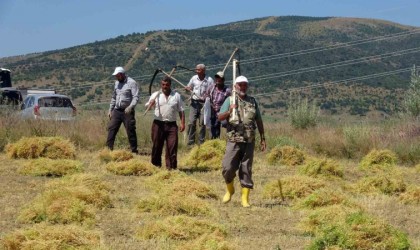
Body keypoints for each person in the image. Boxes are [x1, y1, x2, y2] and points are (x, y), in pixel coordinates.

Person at [217, 75, 266, 207]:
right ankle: (230, 189)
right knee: (228, 167)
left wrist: (262, 138)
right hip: (233, 140)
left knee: (246, 169)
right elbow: (220, 117)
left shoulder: (252, 101)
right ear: (235, 86)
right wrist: (229, 111)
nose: (243, 87)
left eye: (245, 85)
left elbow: (259, 121)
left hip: (249, 141)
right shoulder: (230, 100)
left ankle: (245, 199)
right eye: (240, 85)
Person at [146, 76, 185, 170]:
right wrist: (151, 103)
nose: (165, 86)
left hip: (171, 125)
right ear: (161, 84)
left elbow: (181, 110)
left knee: (172, 147)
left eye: (167, 85)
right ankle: (155, 167)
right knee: (156, 146)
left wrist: (182, 123)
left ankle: (171, 168)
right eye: (163, 85)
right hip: (158, 124)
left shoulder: (176, 96)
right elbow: (147, 107)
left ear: (170, 85)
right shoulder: (156, 95)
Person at [106, 66, 140, 153]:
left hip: (127, 111)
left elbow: (135, 97)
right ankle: (108, 149)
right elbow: (114, 97)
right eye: (116, 76)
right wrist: (110, 109)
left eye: (117, 75)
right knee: (111, 128)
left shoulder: (132, 83)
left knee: (130, 129)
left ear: (122, 74)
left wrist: (130, 107)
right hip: (117, 110)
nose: (116, 77)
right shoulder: (116, 83)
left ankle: (134, 150)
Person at [185, 64, 214, 145]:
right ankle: (190, 143)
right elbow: (188, 88)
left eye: (198, 70)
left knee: (202, 123)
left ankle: (201, 143)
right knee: (191, 122)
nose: (197, 71)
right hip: (194, 103)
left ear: (203, 71)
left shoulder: (209, 80)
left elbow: (212, 92)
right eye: (196, 70)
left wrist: (207, 97)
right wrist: (188, 89)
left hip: (204, 104)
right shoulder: (194, 78)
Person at [209, 71, 231, 139]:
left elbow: (231, 99)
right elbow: (206, 95)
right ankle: (214, 141)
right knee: (213, 128)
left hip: (222, 113)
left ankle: (227, 139)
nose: (218, 79)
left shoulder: (227, 90)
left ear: (223, 80)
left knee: (223, 125)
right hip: (213, 112)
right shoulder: (212, 87)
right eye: (216, 78)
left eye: (219, 78)